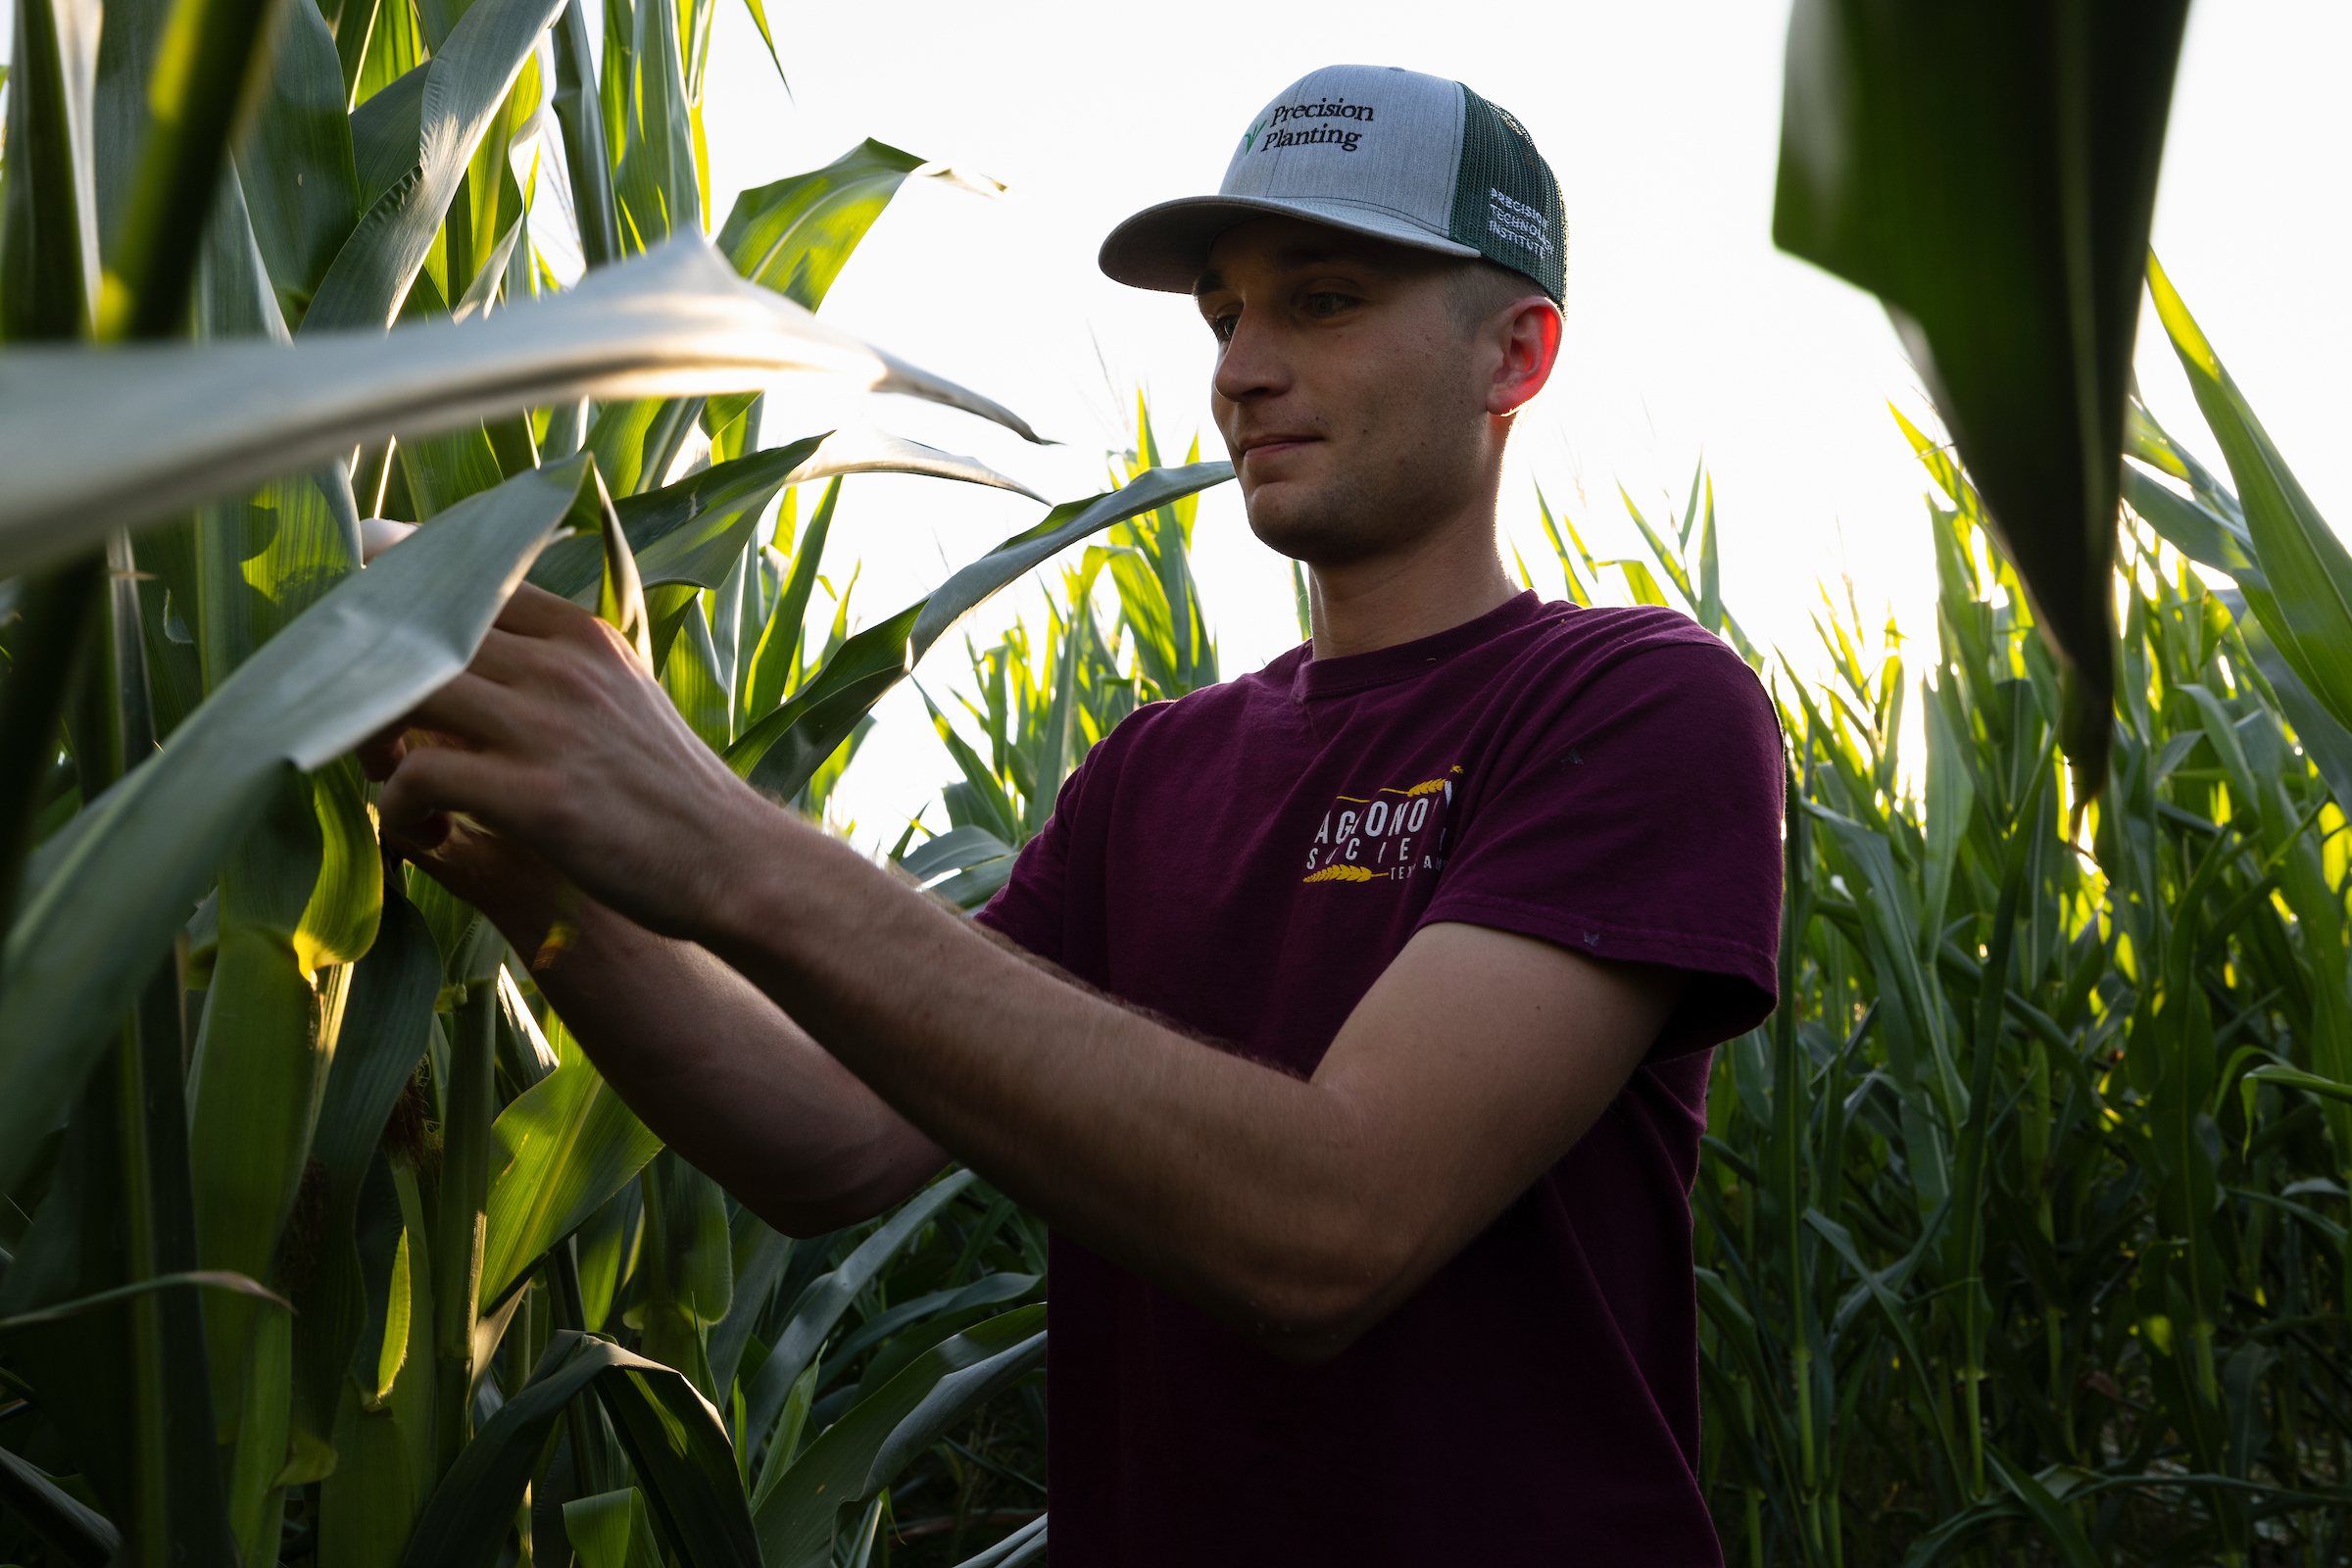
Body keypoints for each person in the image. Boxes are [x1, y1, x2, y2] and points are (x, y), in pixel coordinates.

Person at [369, 62, 1784, 1566]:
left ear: (1516, 353)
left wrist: (716, 833)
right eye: (1225, 315)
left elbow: (1330, 1229)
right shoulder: (1153, 774)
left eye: (1323, 300)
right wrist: (533, 868)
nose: (1241, 368)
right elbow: (827, 1143)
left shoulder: (1637, 706)